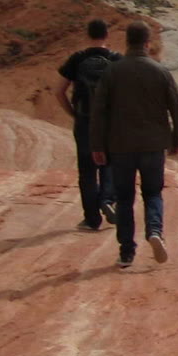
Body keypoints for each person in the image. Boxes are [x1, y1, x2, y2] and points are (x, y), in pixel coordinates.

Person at [88, 21, 178, 268]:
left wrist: (97, 146)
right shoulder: (160, 71)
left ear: (126, 42)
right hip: (153, 145)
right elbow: (177, 108)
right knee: (153, 193)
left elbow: (99, 112)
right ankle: (154, 231)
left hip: (120, 146)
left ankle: (126, 252)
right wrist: (176, 140)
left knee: (124, 198)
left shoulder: (112, 71)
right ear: (147, 43)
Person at [56, 19, 119, 230]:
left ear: (87, 35)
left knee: (87, 170)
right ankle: (107, 200)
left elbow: (58, 91)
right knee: (109, 164)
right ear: (107, 35)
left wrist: (73, 114)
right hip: (109, 122)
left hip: (84, 121)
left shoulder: (77, 59)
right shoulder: (116, 59)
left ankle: (92, 219)